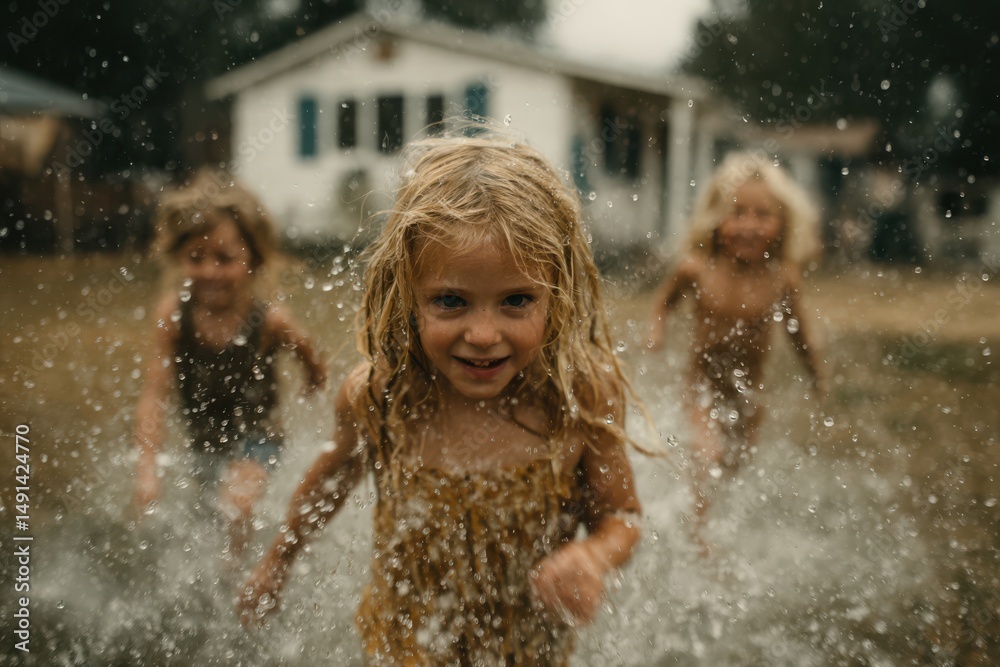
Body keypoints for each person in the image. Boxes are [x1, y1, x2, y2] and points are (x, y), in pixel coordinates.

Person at [238, 132, 643, 665]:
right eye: (450, 301)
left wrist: (593, 556)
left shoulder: (580, 395)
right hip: (405, 641)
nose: (482, 333)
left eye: (516, 301)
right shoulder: (381, 395)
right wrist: (277, 562)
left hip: (529, 649)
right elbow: (330, 479)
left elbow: (625, 517)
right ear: (408, 292)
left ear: (557, 291)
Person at [132, 169, 327, 561]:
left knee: (236, 504)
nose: (209, 271)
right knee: (204, 518)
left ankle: (238, 584)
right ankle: (212, 588)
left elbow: (311, 356)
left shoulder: (271, 322)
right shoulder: (174, 317)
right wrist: (148, 468)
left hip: (259, 434)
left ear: (253, 261)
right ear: (179, 257)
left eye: (224, 258)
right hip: (203, 438)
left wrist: (312, 382)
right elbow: (154, 395)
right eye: (196, 258)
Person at [647, 151, 823, 554]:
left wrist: (815, 372)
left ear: (782, 225)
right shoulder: (698, 269)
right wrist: (655, 331)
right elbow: (663, 303)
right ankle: (698, 539)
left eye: (763, 215)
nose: (749, 225)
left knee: (733, 470)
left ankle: (714, 529)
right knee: (707, 457)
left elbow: (799, 334)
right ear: (716, 218)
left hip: (748, 396)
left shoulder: (781, 278)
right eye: (737, 213)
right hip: (701, 385)